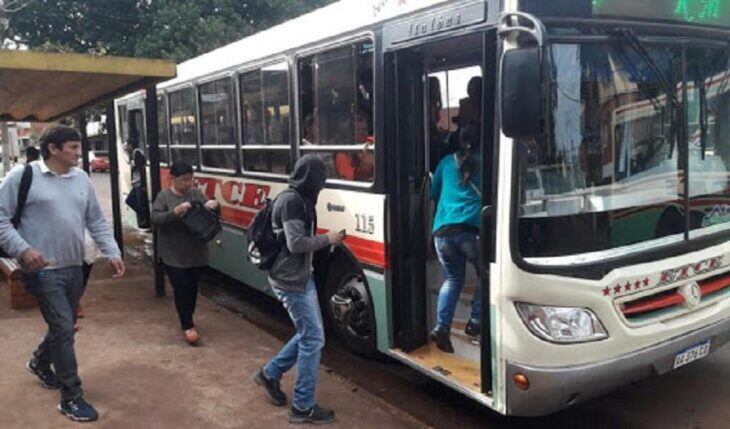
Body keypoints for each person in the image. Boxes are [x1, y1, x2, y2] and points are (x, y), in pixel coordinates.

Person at [0, 125, 125, 422]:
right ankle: (71, 397)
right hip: (42, 270)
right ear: (53, 149)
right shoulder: (23, 176)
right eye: (73, 148)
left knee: (64, 325)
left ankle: (40, 362)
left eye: (79, 148)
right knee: (63, 330)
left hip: (76, 266)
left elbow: (95, 219)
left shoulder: (81, 178)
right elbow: (1, 219)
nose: (79, 154)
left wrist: (113, 251)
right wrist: (24, 250)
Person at [252, 154, 344, 425]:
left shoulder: (299, 198)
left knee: (309, 335)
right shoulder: (292, 202)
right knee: (313, 339)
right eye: (321, 177)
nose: (323, 182)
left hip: (299, 276)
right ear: (311, 179)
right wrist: (329, 239)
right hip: (290, 279)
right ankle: (302, 407)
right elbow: (296, 243)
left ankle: (269, 375)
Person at [151, 160, 220, 345]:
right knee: (181, 289)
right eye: (184, 180)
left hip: (197, 253)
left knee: (192, 289)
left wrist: (213, 205)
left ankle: (188, 318)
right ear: (172, 179)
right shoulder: (163, 197)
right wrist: (175, 212)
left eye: (191, 179)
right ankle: (187, 324)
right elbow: (156, 219)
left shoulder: (196, 194)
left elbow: (209, 211)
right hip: (174, 255)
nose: (188, 184)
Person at [428, 123, 483, 353]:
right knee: (486, 275)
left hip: (442, 233)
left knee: (452, 280)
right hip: (470, 231)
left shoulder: (444, 163)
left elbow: (433, 193)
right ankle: (476, 322)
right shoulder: (483, 162)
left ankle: (442, 328)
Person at [334, 112, 374, 181]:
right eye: (359, 130)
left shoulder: (370, 143)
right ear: (351, 132)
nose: (363, 133)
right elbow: (350, 180)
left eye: (365, 129)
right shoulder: (343, 154)